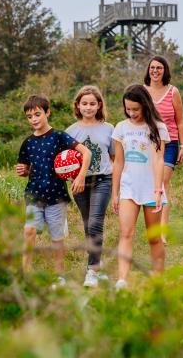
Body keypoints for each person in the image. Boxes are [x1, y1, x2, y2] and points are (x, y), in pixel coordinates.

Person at [15, 94, 91, 287]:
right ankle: (26, 271)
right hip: (34, 194)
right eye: (30, 117)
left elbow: (86, 152)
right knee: (29, 231)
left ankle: (60, 275)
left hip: (56, 197)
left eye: (37, 114)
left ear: (47, 112)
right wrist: (23, 170)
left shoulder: (59, 136)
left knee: (56, 237)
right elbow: (26, 168)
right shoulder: (28, 143)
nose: (34, 119)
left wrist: (80, 175)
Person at [111, 84, 170, 290]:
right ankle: (122, 279)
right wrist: (115, 193)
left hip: (151, 188)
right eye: (128, 109)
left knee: (154, 237)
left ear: (145, 105)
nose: (132, 113)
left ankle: (158, 279)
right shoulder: (121, 128)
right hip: (129, 188)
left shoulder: (159, 128)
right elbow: (118, 162)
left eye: (136, 109)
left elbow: (159, 160)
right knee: (126, 233)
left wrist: (157, 189)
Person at [66, 85, 115, 288]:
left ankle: (91, 271)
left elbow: (114, 157)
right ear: (78, 106)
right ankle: (97, 263)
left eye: (92, 103)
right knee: (88, 226)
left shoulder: (109, 129)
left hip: (103, 179)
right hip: (80, 183)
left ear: (99, 105)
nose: (88, 107)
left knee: (95, 223)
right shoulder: (70, 131)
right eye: (84, 103)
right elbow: (65, 161)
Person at [143, 55, 183, 245]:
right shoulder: (142, 91)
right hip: (147, 143)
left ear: (165, 70)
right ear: (148, 70)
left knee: (163, 184)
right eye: (152, 68)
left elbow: (180, 121)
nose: (155, 71)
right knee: (151, 185)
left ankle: (162, 232)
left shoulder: (173, 92)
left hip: (170, 143)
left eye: (159, 68)